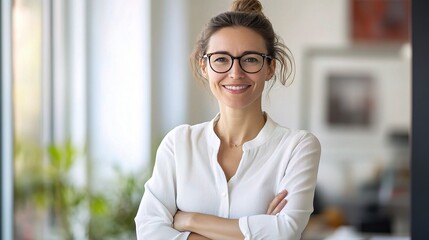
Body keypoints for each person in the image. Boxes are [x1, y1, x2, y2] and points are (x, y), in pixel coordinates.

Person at [135, 0, 321, 239]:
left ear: (270, 67)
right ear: (205, 66)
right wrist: (254, 230)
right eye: (221, 59)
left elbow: (283, 232)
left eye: (251, 59)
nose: (235, 72)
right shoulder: (178, 143)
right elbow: (149, 231)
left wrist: (188, 219)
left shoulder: (297, 147)